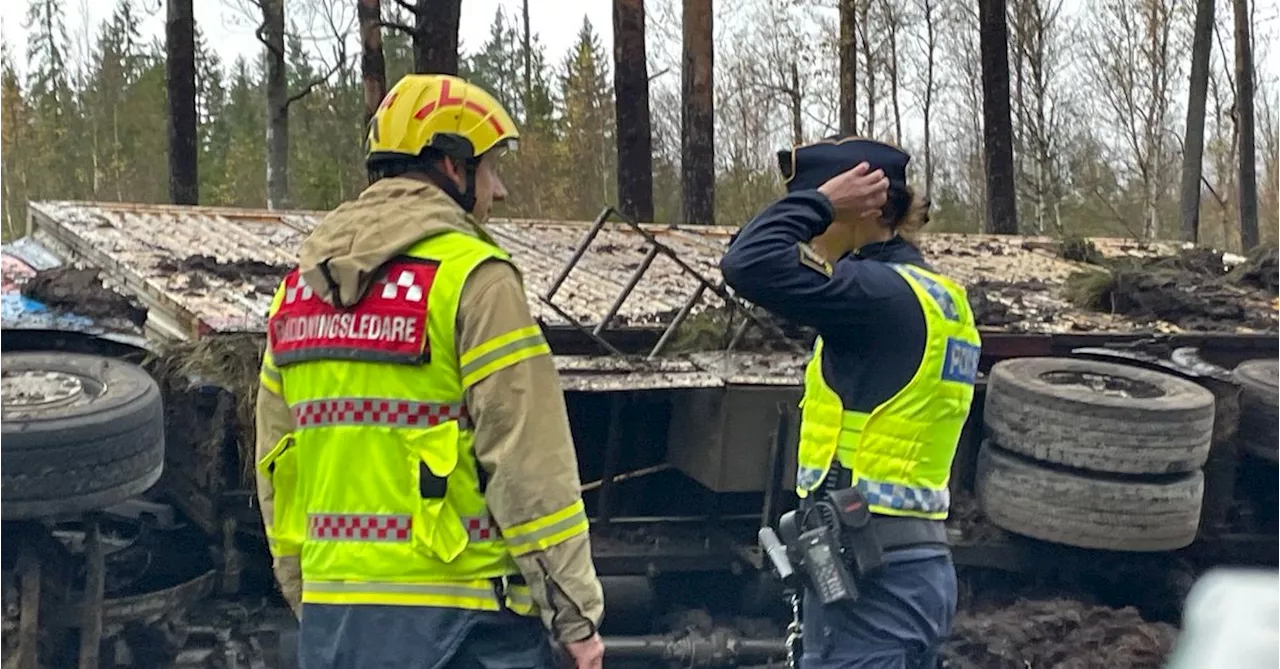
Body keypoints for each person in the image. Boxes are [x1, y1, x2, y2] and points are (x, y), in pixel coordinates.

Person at [253, 73, 605, 669]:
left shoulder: (298, 293)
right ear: (451, 165)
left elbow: (278, 473)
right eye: (490, 168)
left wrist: (308, 596)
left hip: (334, 627)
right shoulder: (475, 279)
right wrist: (576, 620)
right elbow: (530, 468)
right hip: (464, 630)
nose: (499, 190)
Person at [719, 136, 981, 669]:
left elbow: (745, 263)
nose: (812, 231)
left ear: (863, 209)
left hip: (869, 575)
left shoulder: (874, 296)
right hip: (914, 564)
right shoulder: (936, 297)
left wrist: (818, 202)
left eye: (826, 209)